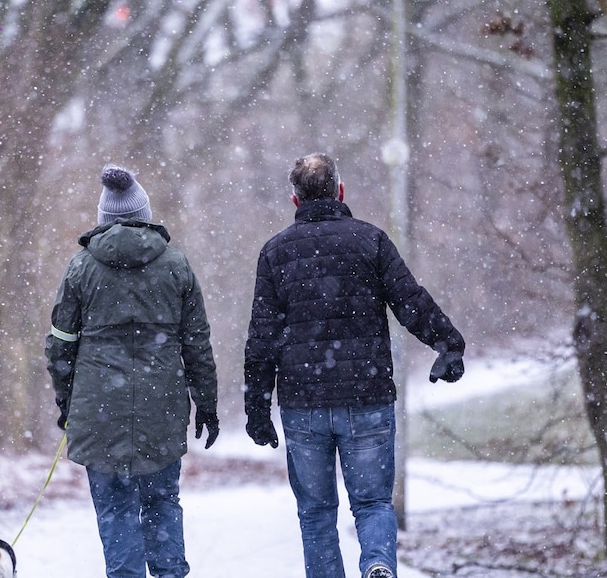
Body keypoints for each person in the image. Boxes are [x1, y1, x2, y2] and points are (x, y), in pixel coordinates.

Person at [243, 153, 465, 578]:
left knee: (316, 512)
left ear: (295, 199)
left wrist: (257, 408)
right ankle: (379, 563)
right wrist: (447, 343)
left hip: (304, 404)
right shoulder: (370, 241)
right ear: (340, 191)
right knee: (373, 503)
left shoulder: (274, 254)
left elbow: (262, 339)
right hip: (367, 397)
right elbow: (410, 300)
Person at [45, 164, 219, 578]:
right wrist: (206, 405)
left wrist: (67, 401)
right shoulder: (176, 266)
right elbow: (197, 344)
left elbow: (60, 345)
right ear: (144, 213)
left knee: (115, 507)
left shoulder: (80, 268)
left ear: (104, 218)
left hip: (98, 408)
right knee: (161, 501)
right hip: (162, 408)